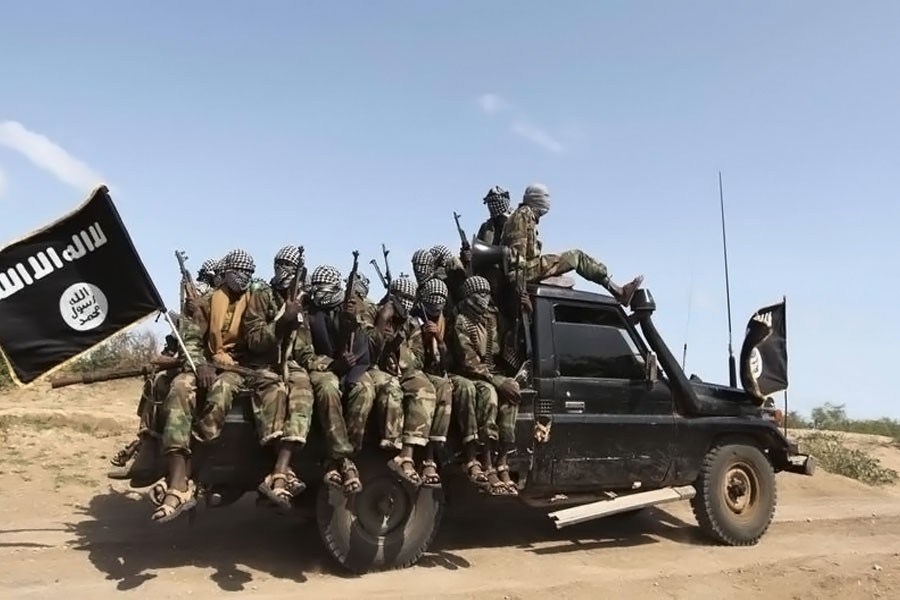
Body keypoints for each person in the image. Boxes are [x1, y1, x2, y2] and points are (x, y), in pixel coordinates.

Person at [151, 248, 274, 522]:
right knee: (179, 389)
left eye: (248, 274)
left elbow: (260, 341)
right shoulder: (207, 301)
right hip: (205, 364)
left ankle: (193, 465)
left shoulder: (257, 301)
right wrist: (200, 364)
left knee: (221, 394)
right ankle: (177, 472)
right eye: (238, 272)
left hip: (237, 368)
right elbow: (192, 338)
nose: (242, 278)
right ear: (226, 273)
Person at [292, 264, 375, 495]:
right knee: (328, 387)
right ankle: (341, 457)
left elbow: (366, 346)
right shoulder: (307, 312)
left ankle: (350, 453)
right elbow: (304, 353)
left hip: (354, 365)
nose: (319, 293)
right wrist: (331, 365)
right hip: (322, 366)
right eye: (316, 289)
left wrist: (352, 326)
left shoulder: (350, 308)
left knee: (365, 390)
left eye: (324, 288)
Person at [241, 245, 313, 507]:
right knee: (275, 391)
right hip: (263, 363)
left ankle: (282, 469)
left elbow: (304, 348)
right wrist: (280, 324)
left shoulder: (304, 299)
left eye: (291, 268)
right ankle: (280, 472)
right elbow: (253, 339)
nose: (285, 272)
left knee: (303, 391)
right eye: (281, 265)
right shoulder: (262, 295)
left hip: (291, 364)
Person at [501, 183, 644, 306]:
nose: (548, 201)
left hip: (525, 272)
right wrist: (520, 291)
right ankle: (618, 292)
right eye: (546, 197)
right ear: (537, 199)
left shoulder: (525, 216)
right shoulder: (523, 214)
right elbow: (517, 259)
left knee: (565, 281)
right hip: (521, 273)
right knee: (575, 257)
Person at [446, 275, 521, 496]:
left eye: (487, 293)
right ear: (469, 297)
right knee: (489, 394)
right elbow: (468, 361)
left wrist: (523, 311)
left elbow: (509, 338)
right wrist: (496, 380)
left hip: (488, 373)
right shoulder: (461, 320)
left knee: (512, 395)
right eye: (480, 294)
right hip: (468, 374)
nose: (484, 298)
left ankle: (502, 462)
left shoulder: (491, 317)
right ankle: (486, 462)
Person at [368, 275, 436, 487]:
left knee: (425, 387)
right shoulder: (374, 312)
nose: (405, 301)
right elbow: (366, 351)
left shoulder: (411, 323)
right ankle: (392, 444)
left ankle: (407, 454)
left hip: (404, 371)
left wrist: (397, 344)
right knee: (391, 388)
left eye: (409, 297)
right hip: (374, 370)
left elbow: (417, 359)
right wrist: (381, 324)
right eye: (401, 297)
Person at [408, 277, 455, 488]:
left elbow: (449, 363)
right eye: (432, 297)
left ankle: (431, 454)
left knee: (445, 387)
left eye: (440, 298)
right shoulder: (413, 319)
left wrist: (439, 341)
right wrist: (423, 339)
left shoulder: (446, 322)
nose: (436, 302)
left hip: (435, 373)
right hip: (415, 372)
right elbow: (412, 359)